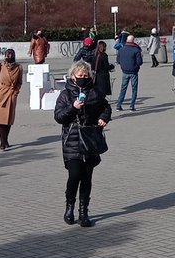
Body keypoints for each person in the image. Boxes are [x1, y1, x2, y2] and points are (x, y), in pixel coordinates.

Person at [53, 60, 111, 227]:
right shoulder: (65, 95)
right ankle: (69, 207)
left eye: (86, 75)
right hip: (71, 140)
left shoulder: (95, 92)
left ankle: (83, 212)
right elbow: (58, 117)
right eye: (80, 75)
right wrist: (73, 107)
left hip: (89, 139)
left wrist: (103, 117)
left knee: (87, 177)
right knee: (74, 175)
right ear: (72, 76)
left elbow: (106, 107)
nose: (83, 78)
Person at [115, 33, 143, 111]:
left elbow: (118, 61)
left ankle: (118, 105)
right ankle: (132, 106)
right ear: (133, 41)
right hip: (134, 72)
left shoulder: (121, 49)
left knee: (123, 89)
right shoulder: (136, 50)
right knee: (134, 89)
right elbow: (139, 62)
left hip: (124, 71)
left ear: (127, 40)